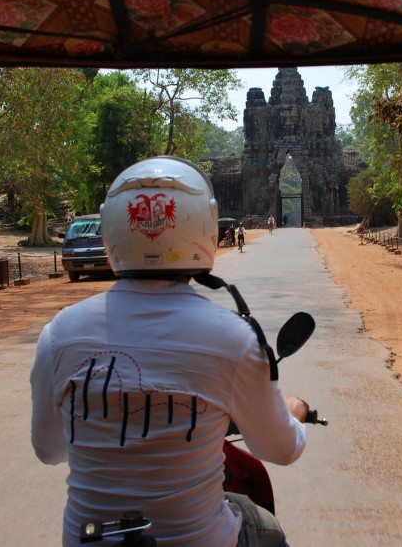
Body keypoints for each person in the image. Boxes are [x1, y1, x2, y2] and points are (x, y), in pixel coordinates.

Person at [31, 156, 308, 547]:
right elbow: (281, 448)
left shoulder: (59, 334)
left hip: (88, 539)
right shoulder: (233, 338)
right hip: (201, 539)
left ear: (111, 229)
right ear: (205, 227)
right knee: (267, 530)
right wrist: (293, 410)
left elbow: (48, 449)